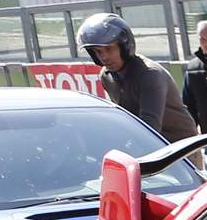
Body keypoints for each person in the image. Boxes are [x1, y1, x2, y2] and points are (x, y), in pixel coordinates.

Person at [78, 11, 199, 142]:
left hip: (181, 145)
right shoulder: (106, 76)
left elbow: (150, 126)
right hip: (147, 140)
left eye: (109, 49)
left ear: (124, 46)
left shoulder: (150, 74)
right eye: (97, 51)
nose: (104, 57)